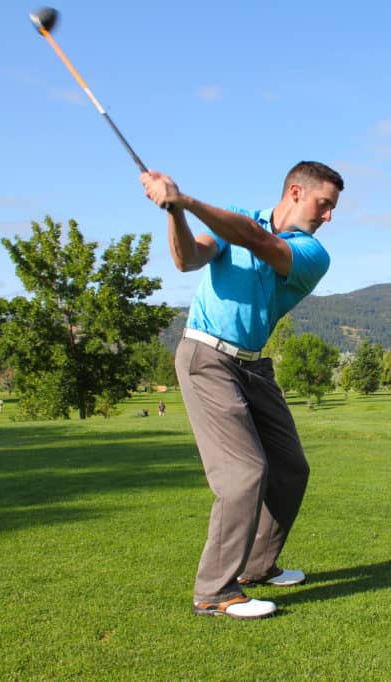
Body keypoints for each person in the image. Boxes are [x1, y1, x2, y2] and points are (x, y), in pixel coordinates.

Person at [141, 161, 343, 620]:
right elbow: (187, 259)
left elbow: (259, 240)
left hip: (253, 367)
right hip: (206, 358)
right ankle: (214, 590)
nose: (329, 216)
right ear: (296, 191)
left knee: (290, 469)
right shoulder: (231, 218)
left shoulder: (311, 253)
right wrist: (174, 213)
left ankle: (257, 566)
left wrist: (186, 199)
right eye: (324, 204)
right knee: (245, 474)